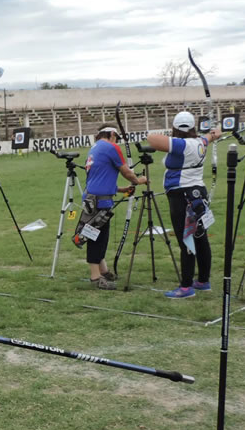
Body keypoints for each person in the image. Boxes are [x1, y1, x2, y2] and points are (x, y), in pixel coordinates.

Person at [147, 111, 222, 299]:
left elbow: (152, 139)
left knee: (186, 238)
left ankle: (186, 286)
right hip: (197, 194)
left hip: (182, 196)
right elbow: (209, 137)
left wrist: (211, 135)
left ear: (175, 128)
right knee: (200, 236)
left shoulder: (182, 145)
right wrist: (212, 134)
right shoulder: (199, 142)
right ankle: (203, 281)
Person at [81, 125, 147, 290]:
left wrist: (119, 189)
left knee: (99, 236)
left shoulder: (94, 148)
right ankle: (96, 277)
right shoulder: (111, 147)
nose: (116, 140)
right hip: (99, 201)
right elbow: (126, 171)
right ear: (111, 134)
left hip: (92, 197)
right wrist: (138, 180)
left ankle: (103, 270)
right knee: (97, 237)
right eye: (116, 137)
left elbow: (99, 176)